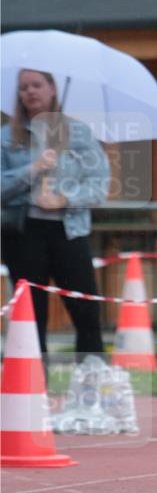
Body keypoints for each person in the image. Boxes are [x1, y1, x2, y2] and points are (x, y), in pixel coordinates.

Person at [1, 69, 110, 361]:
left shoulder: (79, 133)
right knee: (30, 316)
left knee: (85, 310)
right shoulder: (6, 138)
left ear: (52, 89)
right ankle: (35, 388)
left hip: (69, 231)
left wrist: (65, 199)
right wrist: (31, 170)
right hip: (23, 233)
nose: (30, 92)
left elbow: (99, 186)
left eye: (37, 85)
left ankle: (91, 383)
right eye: (23, 87)